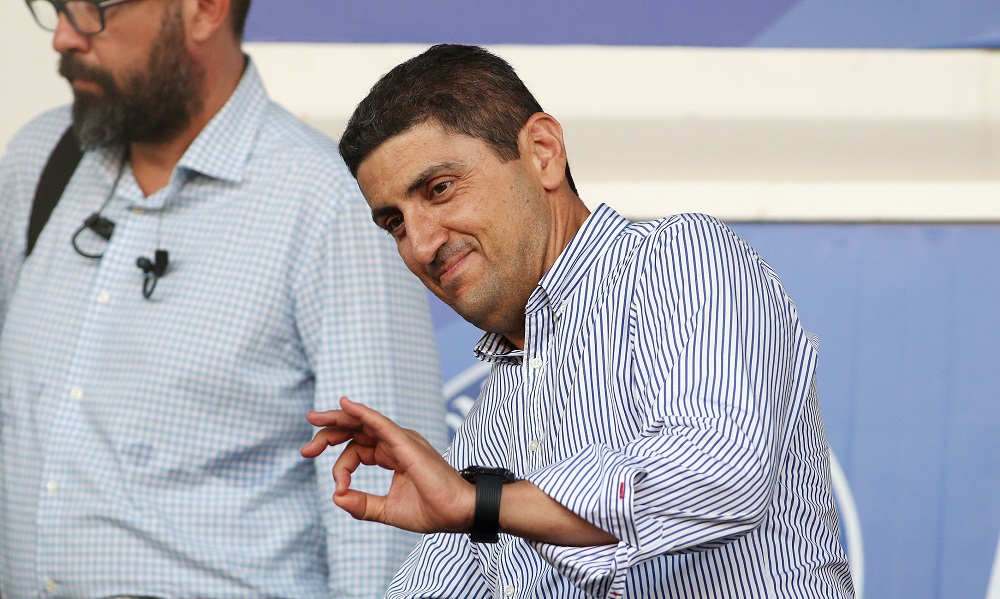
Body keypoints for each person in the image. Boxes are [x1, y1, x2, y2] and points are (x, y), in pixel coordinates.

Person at [301, 44, 855, 598]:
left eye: (439, 189)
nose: (421, 245)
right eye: (395, 223)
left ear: (543, 153)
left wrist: (483, 503)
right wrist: (476, 501)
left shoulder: (679, 258)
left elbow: (718, 475)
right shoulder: (490, 421)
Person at [0, 0, 446, 596]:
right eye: (56, 6)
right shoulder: (41, 159)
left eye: (92, 9)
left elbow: (388, 527)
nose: (63, 37)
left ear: (205, 10)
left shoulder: (329, 207)